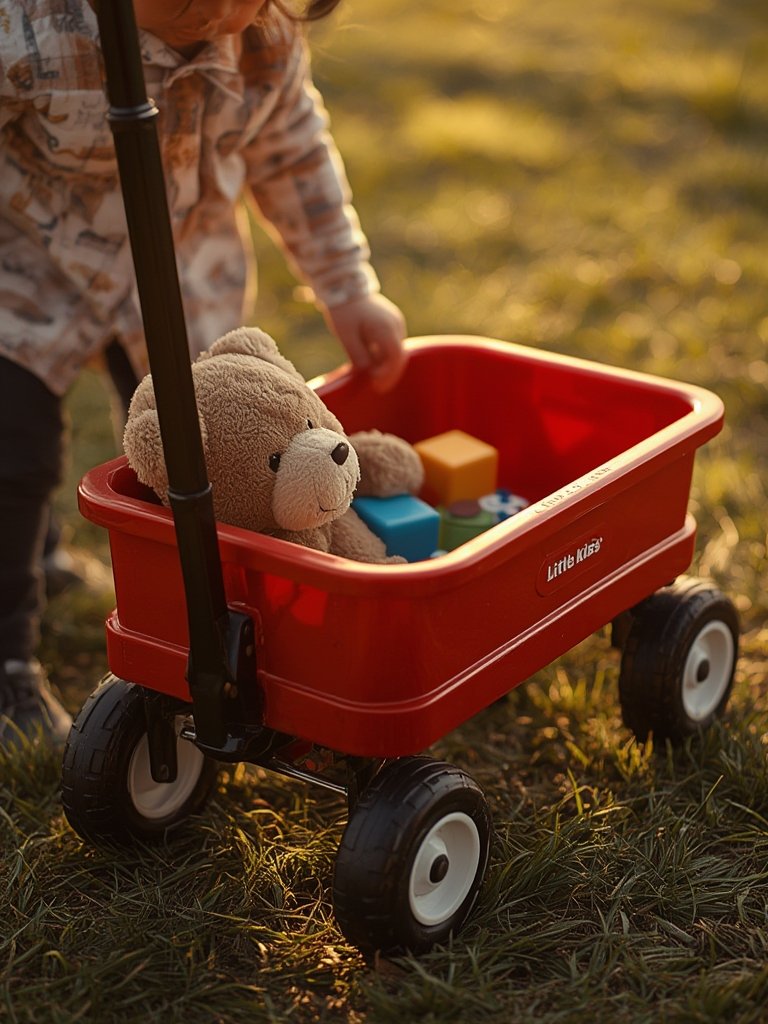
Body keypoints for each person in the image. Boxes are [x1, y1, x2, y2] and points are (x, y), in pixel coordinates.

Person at [0, 0, 408, 748]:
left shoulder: (261, 42)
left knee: (197, 474)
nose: (228, 8)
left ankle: (220, 640)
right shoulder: (29, 26)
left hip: (179, 281)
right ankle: (6, 669)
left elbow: (294, 157)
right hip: (27, 276)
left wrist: (347, 288)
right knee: (11, 453)